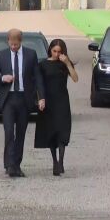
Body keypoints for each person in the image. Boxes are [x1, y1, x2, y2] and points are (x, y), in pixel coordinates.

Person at [0, 28, 45, 177]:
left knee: (20, 133)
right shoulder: (1, 55)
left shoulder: (30, 54)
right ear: (8, 41)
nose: (13, 47)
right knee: (9, 132)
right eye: (11, 44)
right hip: (8, 98)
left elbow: (37, 77)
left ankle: (16, 165)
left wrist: (41, 97)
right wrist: (3, 78)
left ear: (21, 41)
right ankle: (9, 165)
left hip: (24, 98)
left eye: (16, 44)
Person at [34, 39, 78, 176]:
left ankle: (61, 161)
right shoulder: (42, 65)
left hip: (62, 100)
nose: (57, 54)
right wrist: (40, 99)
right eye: (54, 51)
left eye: (59, 52)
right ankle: (54, 161)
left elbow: (75, 78)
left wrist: (67, 63)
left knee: (62, 130)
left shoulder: (64, 64)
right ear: (50, 50)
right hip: (49, 101)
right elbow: (38, 84)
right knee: (51, 131)